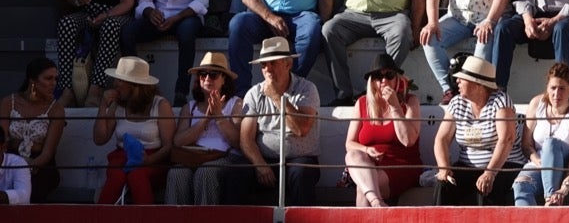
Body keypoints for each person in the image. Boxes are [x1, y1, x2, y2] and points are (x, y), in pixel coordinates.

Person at [223, 36, 321, 206]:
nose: (267, 69)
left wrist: (277, 97)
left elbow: (301, 129)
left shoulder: (307, 89)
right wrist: (260, 164)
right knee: (234, 172)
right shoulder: (254, 93)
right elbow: (245, 139)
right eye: (263, 65)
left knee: (301, 173)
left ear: (288, 64)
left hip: (300, 159)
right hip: (265, 159)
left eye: (273, 63)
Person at [432, 56, 524, 205]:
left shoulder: (500, 100)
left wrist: (490, 172)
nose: (457, 82)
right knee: (444, 185)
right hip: (468, 166)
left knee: (486, 187)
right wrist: (444, 168)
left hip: (503, 166)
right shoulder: (457, 102)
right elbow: (441, 139)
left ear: (477, 85)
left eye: (462, 78)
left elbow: (507, 139)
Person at [341, 53, 422, 207]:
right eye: (378, 76)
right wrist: (367, 149)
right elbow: (349, 144)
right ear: (372, 82)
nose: (383, 81)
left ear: (397, 79)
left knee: (364, 188)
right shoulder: (362, 103)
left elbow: (408, 141)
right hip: (370, 164)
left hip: (402, 165)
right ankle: (378, 204)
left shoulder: (410, 102)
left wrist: (395, 106)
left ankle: (376, 203)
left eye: (389, 75)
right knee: (353, 155)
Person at [93, 57, 176, 204]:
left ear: (136, 85)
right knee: (117, 176)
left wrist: (148, 160)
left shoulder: (160, 105)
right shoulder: (118, 105)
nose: (115, 84)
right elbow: (100, 139)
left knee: (136, 175)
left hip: (153, 160)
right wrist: (103, 106)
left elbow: (168, 146)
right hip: (121, 157)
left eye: (120, 80)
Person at [163, 52, 242, 205]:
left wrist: (218, 115)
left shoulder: (236, 103)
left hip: (224, 157)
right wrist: (205, 120)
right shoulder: (189, 107)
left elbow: (238, 142)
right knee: (176, 173)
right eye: (203, 74)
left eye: (213, 75)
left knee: (206, 173)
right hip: (192, 156)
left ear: (224, 79)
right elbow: (178, 141)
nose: (207, 79)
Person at [513, 63, 569, 206]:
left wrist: (565, 187)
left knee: (551, 143)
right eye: (553, 88)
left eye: (562, 88)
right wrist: (540, 162)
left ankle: (550, 200)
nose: (557, 94)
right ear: (547, 88)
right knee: (521, 186)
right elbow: (526, 146)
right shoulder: (537, 104)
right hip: (539, 164)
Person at [0, 59, 63, 203]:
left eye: (55, 79)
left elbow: (48, 152)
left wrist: (30, 166)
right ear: (32, 81)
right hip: (10, 158)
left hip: (39, 162)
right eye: (48, 78)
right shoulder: (9, 102)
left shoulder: (56, 109)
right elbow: (0, 140)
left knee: (32, 189)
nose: (54, 83)